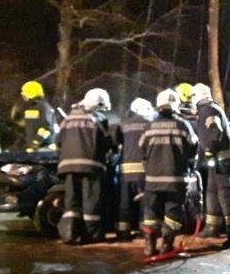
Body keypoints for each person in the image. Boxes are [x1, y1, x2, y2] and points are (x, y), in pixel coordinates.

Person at [139, 89, 199, 256]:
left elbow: (142, 149)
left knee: (151, 212)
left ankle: (149, 246)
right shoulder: (183, 125)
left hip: (152, 180)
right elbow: (193, 149)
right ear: (175, 106)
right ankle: (167, 245)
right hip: (175, 179)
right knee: (173, 212)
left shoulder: (149, 127)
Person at [57, 88, 113, 244]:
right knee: (91, 202)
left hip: (68, 167)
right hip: (91, 167)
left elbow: (58, 141)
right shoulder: (97, 120)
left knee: (71, 201)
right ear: (97, 104)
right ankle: (92, 234)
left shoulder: (67, 119)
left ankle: (69, 234)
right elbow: (107, 143)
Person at [192, 83, 230, 246]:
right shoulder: (207, 109)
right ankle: (212, 227)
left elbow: (215, 132)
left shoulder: (209, 110)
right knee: (213, 192)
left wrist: (209, 151)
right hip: (218, 159)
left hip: (222, 159)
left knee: (225, 193)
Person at [113, 97, 154, 242]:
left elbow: (116, 145)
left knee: (124, 202)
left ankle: (122, 232)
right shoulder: (150, 125)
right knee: (145, 201)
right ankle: (145, 231)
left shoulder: (123, 124)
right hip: (144, 171)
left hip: (126, 170)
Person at [11, 80, 57, 152]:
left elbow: (46, 128)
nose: (23, 96)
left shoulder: (42, 107)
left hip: (44, 148)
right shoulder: (35, 107)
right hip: (37, 148)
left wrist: (35, 143)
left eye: (24, 94)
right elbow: (30, 125)